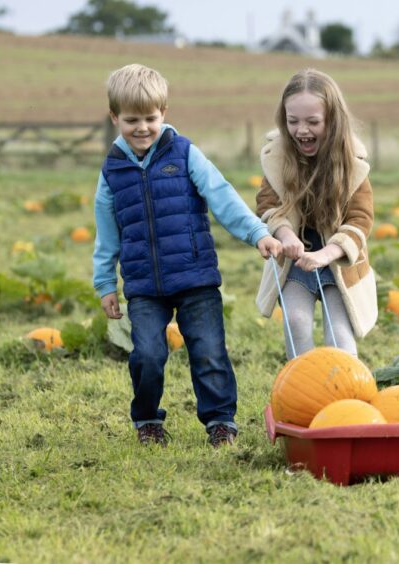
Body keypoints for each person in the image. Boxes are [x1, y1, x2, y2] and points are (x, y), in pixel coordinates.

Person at [92, 64, 282, 447]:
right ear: (115, 117)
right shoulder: (112, 171)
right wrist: (105, 284)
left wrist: (257, 233)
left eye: (151, 117)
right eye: (131, 120)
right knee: (146, 355)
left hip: (195, 277)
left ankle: (220, 422)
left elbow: (223, 197)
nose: (142, 127)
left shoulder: (184, 153)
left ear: (164, 113)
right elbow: (106, 234)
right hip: (144, 286)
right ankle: (147, 419)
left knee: (209, 352)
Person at [255, 68, 377, 360]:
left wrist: (326, 254)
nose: (302, 130)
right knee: (295, 322)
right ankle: (302, 393)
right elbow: (267, 205)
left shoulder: (352, 164)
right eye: (293, 121)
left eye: (313, 122)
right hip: (296, 264)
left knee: (339, 334)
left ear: (332, 121)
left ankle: (345, 396)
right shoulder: (277, 159)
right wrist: (285, 237)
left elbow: (361, 219)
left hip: (338, 264)